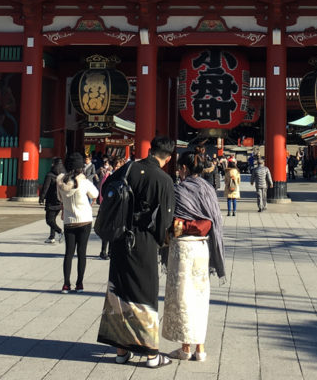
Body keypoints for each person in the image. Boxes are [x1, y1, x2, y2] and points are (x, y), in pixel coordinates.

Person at [97, 135, 176, 368]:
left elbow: (107, 192)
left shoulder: (128, 168)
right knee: (145, 293)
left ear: (150, 150)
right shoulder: (163, 179)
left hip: (120, 238)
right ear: (168, 158)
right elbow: (165, 220)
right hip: (143, 241)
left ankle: (122, 350)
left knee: (120, 290)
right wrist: (161, 241)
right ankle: (151, 353)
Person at [163, 151, 226, 362]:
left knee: (182, 297)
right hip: (202, 247)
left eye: (179, 168)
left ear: (183, 169)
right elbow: (213, 219)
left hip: (182, 248)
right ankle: (201, 347)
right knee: (199, 296)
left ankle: (185, 347)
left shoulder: (179, 189)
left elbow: (171, 220)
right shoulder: (208, 189)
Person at [57, 152, 99, 292]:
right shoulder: (84, 182)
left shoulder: (61, 182)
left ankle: (66, 283)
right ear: (81, 167)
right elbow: (95, 194)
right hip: (85, 220)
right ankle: (79, 283)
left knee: (68, 253)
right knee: (82, 253)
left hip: (69, 220)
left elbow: (60, 198)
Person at [39, 157, 65, 243]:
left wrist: (41, 198)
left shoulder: (50, 175)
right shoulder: (64, 175)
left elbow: (45, 187)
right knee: (53, 219)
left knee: (49, 220)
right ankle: (51, 237)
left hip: (51, 200)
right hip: (60, 201)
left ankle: (59, 231)